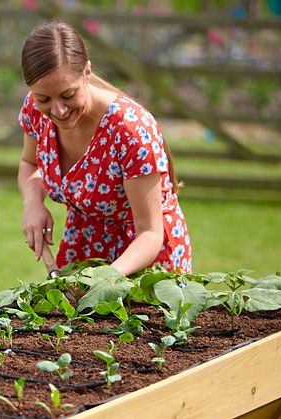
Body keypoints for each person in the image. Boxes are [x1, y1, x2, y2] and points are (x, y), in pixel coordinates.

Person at [17, 20, 191, 276]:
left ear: (87, 72)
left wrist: (104, 279)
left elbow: (150, 233)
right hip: (84, 248)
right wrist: (32, 202)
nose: (58, 110)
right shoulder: (35, 110)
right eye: (44, 98)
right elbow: (29, 164)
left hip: (145, 261)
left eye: (68, 95)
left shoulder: (130, 131)